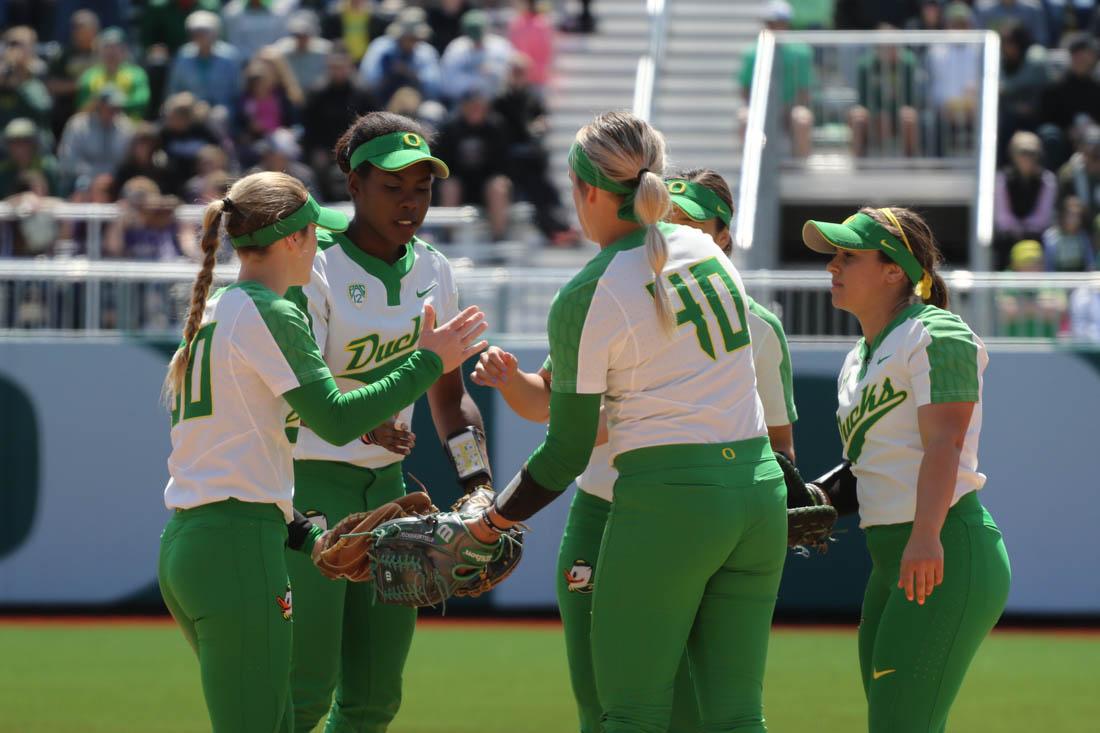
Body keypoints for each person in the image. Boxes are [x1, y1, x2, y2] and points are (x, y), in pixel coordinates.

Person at [464, 111, 788, 733]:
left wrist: (490, 522)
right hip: (757, 495)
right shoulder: (703, 249)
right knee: (738, 716)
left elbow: (566, 451)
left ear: (585, 189)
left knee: (630, 714)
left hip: (669, 503)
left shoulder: (588, 292)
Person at [158, 170, 490, 733]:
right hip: (238, 546)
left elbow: (244, 454)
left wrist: (308, 536)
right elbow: (335, 418)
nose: (321, 246)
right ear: (294, 240)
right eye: (315, 233)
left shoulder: (220, 306)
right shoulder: (271, 309)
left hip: (207, 538)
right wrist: (428, 359)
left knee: (286, 718)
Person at [282, 111, 491, 733]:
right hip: (309, 486)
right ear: (353, 186)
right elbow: (298, 389)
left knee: (374, 699)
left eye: (422, 188)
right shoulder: (312, 263)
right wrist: (371, 421)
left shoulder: (434, 268)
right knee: (304, 689)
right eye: (393, 187)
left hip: (389, 495)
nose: (410, 202)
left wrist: (478, 487)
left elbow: (448, 398)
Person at [801, 205, 1011, 731]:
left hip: (944, 548)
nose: (833, 266)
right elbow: (871, 465)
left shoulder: (936, 332)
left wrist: (924, 534)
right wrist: (816, 498)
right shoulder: (859, 357)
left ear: (895, 269)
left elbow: (946, 442)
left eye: (848, 255)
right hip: (893, 555)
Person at [738, 1, 813, 158]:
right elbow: (745, 90)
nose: (776, 27)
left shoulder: (801, 52)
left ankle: (800, 165)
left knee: (802, 118)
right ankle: (752, 162)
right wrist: (762, 109)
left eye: (780, 23)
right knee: (745, 118)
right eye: (771, 23)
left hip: (791, 107)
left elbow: (804, 91)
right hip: (762, 109)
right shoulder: (752, 53)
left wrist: (787, 108)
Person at [993, 130, 1057, 269]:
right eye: (1022, 152)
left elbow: (1043, 216)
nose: (1027, 157)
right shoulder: (1002, 178)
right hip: (1009, 235)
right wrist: (1016, 229)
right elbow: (1003, 215)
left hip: (1036, 234)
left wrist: (1026, 229)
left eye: (1032, 153)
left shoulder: (1047, 180)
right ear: (1013, 154)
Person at [166, 11, 242, 113]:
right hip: (190, 110)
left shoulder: (230, 56)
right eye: (195, 32)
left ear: (215, 32)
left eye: (204, 32)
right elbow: (174, 89)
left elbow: (237, 91)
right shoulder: (183, 55)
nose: (199, 36)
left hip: (223, 109)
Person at [439, 9, 515, 105]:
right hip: (463, 104)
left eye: (479, 34)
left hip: (496, 103)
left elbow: (511, 75)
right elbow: (447, 85)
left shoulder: (500, 46)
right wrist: (476, 80)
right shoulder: (456, 49)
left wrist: (494, 70)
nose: (477, 40)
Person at [76, 26, 150, 119]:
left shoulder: (137, 74)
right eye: (107, 47)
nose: (111, 52)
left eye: (116, 47)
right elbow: (81, 107)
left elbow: (141, 102)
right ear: (99, 51)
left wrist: (113, 105)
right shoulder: (90, 75)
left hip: (128, 127)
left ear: (124, 50)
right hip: (95, 127)